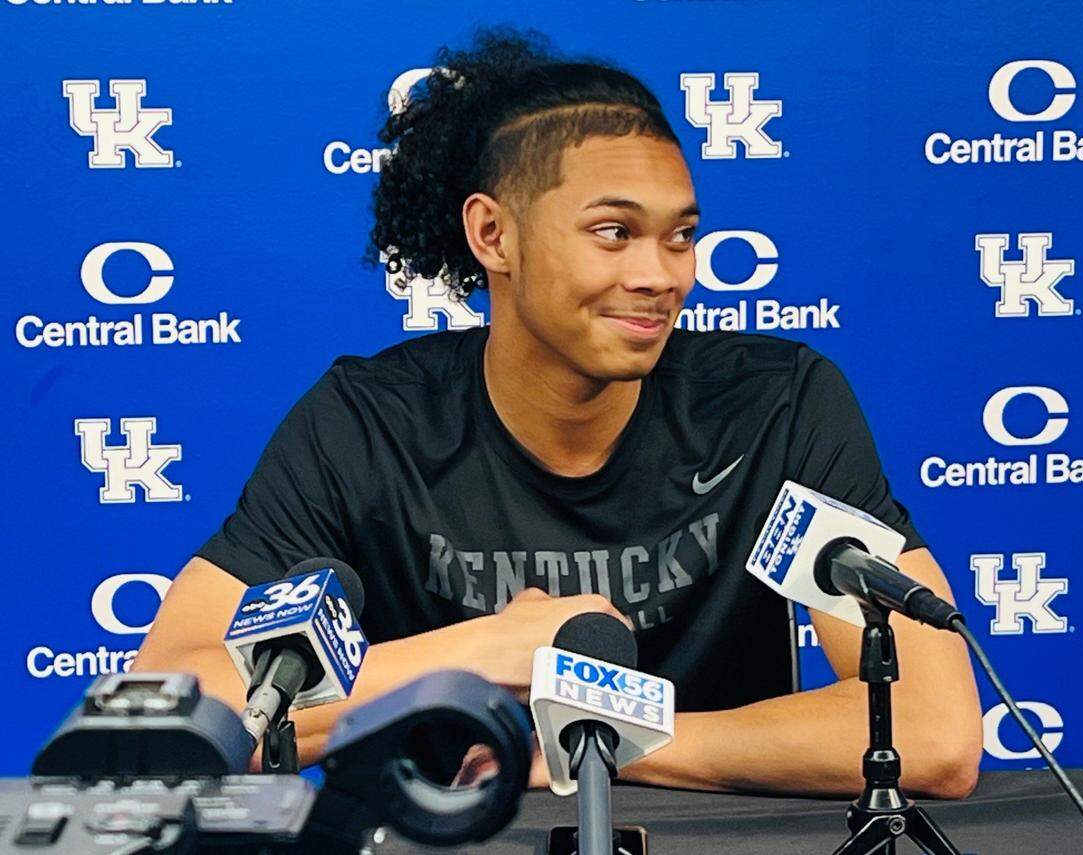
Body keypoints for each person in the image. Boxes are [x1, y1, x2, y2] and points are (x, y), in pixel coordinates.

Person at [134, 26, 982, 798]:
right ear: (493, 235)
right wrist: (479, 653)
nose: (661, 274)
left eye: (679, 236)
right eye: (613, 232)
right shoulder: (366, 422)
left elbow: (937, 731)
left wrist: (608, 737)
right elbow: (161, 719)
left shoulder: (775, 405)